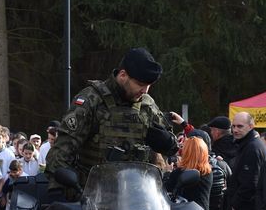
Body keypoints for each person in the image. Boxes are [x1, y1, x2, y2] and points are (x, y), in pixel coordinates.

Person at [46, 47, 176, 192]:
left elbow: (173, 147)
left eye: (148, 85)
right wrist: (58, 190)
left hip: (137, 197)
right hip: (93, 195)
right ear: (123, 75)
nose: (145, 91)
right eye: (140, 84)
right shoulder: (92, 100)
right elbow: (61, 153)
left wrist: (168, 142)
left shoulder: (147, 105)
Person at [164, 136, 213, 210]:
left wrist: (168, 172)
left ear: (187, 153)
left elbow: (165, 190)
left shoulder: (179, 173)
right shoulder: (208, 172)